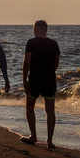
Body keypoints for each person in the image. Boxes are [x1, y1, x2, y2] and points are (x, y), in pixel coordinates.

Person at [21, 19, 61, 149]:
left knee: (30, 107)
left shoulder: (31, 42)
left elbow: (27, 61)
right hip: (49, 79)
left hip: (35, 79)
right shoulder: (54, 44)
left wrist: (24, 78)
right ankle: (49, 141)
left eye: (34, 29)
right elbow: (56, 63)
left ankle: (33, 136)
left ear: (37, 29)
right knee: (50, 110)